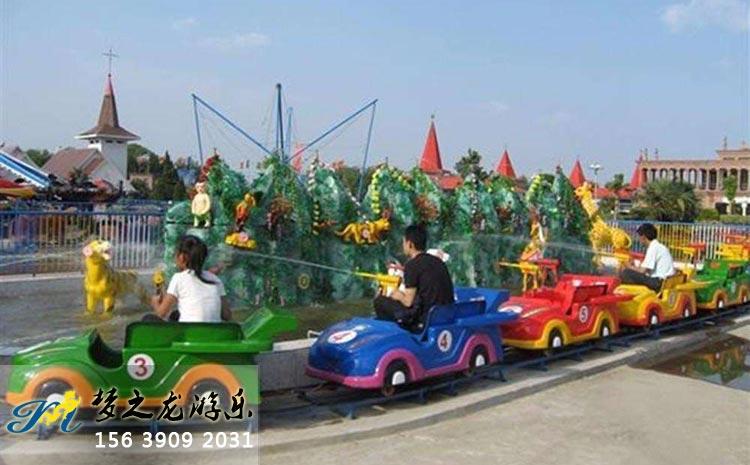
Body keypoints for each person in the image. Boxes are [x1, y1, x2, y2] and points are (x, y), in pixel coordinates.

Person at [373, 224, 454, 328]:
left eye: (404, 242)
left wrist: (398, 295)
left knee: (380, 301)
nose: (403, 245)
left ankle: (395, 331)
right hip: (444, 315)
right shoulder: (438, 262)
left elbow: (408, 302)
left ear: (410, 244)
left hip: (425, 320)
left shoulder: (412, 265)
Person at [149, 235, 231, 322]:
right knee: (175, 315)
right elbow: (226, 315)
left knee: (148, 318)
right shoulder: (215, 279)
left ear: (182, 257)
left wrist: (155, 303)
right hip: (215, 330)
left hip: (189, 330)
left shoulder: (178, 278)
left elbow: (161, 313)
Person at [620, 223, 675, 291]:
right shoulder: (659, 246)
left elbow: (642, 271)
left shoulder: (653, 248)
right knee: (630, 272)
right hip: (664, 281)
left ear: (643, 237)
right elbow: (646, 269)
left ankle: (632, 293)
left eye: (639, 236)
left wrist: (629, 266)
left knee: (626, 273)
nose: (639, 239)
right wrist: (633, 267)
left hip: (658, 282)